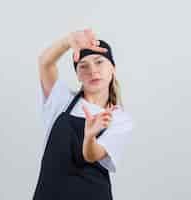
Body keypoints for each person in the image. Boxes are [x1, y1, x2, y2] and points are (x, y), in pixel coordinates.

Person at [33, 28, 133, 200]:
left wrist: (89, 137)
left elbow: (91, 155)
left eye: (99, 62)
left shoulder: (118, 119)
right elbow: (45, 63)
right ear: (78, 75)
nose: (93, 71)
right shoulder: (61, 100)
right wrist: (68, 41)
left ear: (113, 69)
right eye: (83, 66)